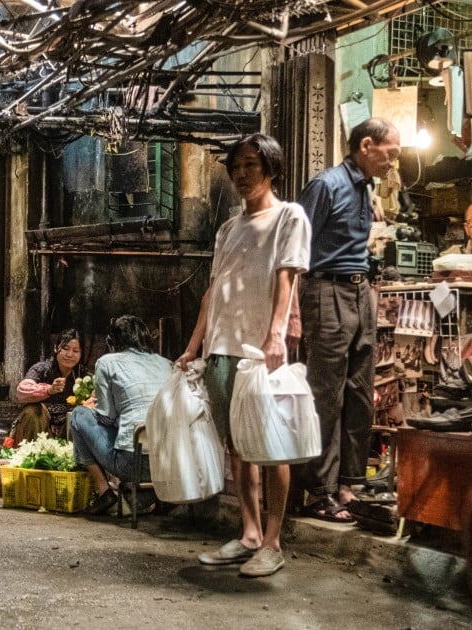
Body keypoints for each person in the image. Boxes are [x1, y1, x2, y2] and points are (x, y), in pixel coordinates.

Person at [176, 133, 311, 578]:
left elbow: (287, 278)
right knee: (238, 446)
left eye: (251, 165)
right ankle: (249, 532)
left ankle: (273, 541)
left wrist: (277, 335)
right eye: (236, 167)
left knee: (272, 445)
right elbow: (213, 292)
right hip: (222, 347)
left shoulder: (289, 217)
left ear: (270, 167)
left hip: (261, 350)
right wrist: (195, 345)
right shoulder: (227, 229)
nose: (242, 174)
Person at [295, 117, 400, 524]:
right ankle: (320, 490)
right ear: (366, 146)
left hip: (360, 292)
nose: (393, 162)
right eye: (390, 154)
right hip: (325, 290)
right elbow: (296, 247)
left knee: (360, 392)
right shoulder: (326, 185)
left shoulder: (364, 189)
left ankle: (348, 484)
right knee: (326, 395)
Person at [70, 315, 171, 516]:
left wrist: (98, 408)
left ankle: (104, 491)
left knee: (78, 415)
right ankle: (143, 499)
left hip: (132, 464)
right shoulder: (165, 363)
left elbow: (106, 417)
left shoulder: (108, 362)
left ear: (112, 341)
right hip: (170, 461)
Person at [11, 328, 83, 441]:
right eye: (65, 348)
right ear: (55, 348)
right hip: (39, 431)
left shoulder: (83, 376)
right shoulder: (41, 370)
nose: (70, 354)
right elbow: (21, 391)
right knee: (32, 412)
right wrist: (49, 390)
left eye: (75, 351)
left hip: (67, 432)